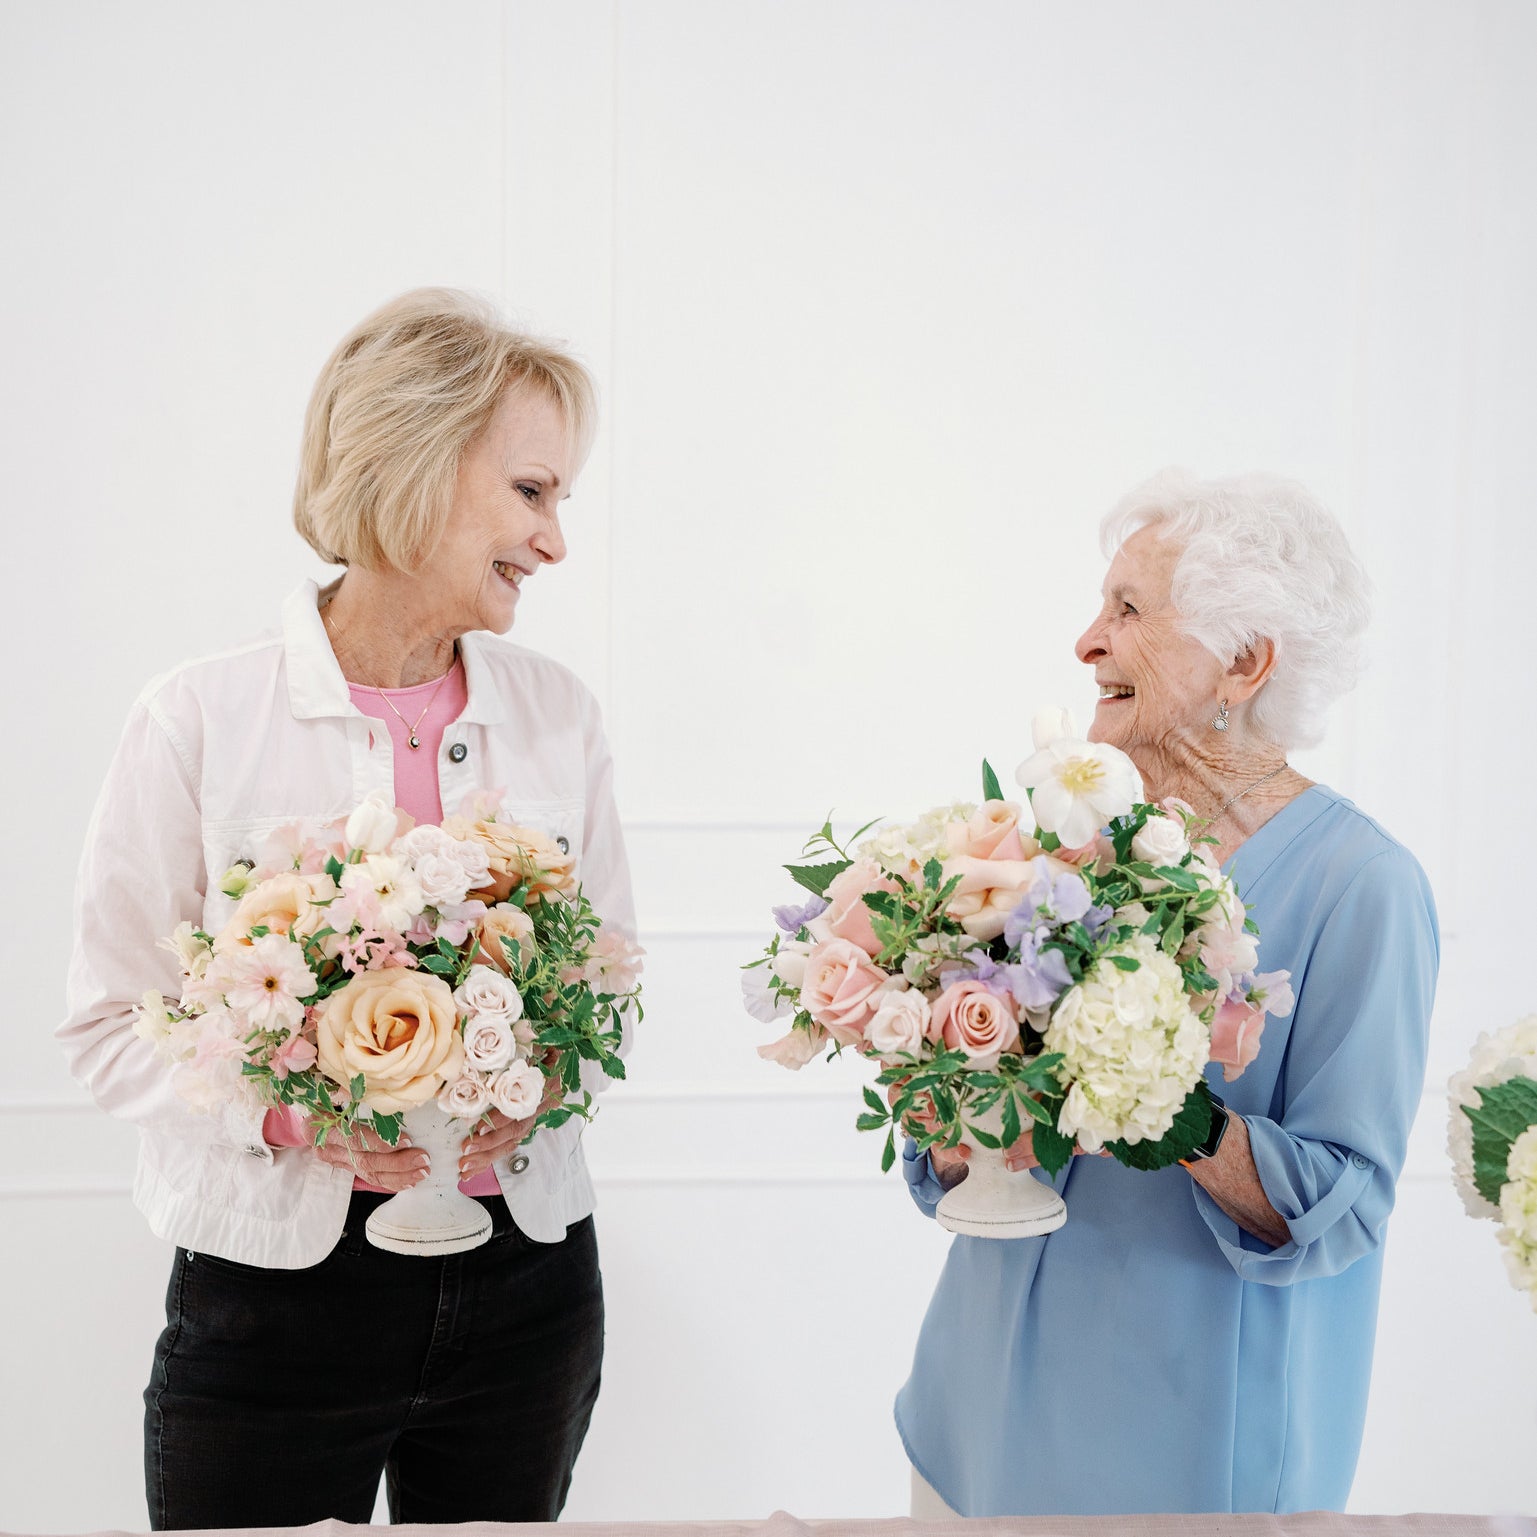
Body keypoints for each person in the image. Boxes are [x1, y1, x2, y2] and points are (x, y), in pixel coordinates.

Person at [58, 289, 636, 1528]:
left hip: (527, 1291)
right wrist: (290, 1116)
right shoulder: (197, 719)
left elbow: (608, 985)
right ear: (417, 469)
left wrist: (528, 1075)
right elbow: (109, 1026)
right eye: (532, 494)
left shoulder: (561, 716)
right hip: (276, 1302)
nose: (554, 540)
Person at [895, 468, 1438, 1516]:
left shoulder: (1361, 885)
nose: (1085, 640)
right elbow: (969, 1147)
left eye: (1127, 609)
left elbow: (1345, 1201)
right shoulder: (1065, 842)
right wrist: (949, 1093)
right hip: (966, 1427)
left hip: (1182, 1464)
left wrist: (1173, 1114)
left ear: (1244, 661)